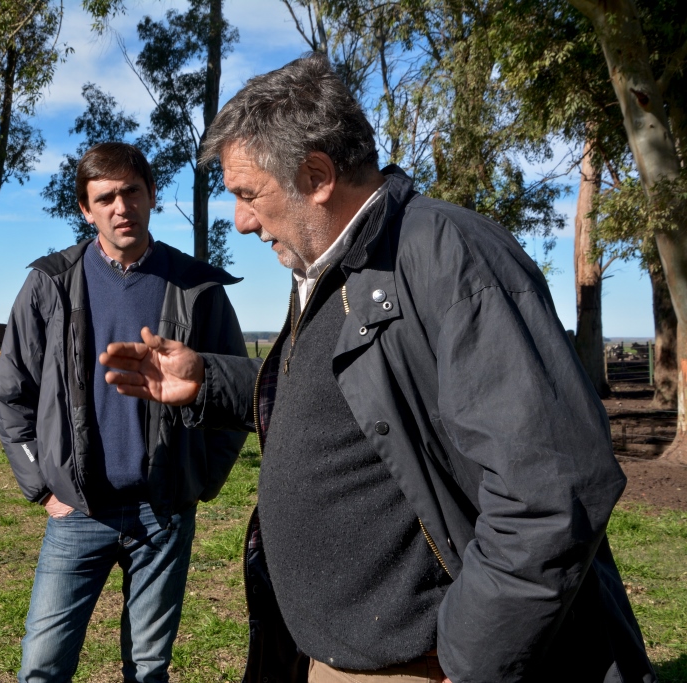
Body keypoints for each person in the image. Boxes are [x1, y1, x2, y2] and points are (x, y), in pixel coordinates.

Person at [99, 55, 655, 683]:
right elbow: (347, 404)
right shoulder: (333, 266)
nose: (242, 221)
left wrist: (470, 657)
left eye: (249, 195)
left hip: (425, 666)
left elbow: (552, 491)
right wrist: (208, 381)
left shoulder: (448, 257)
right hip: (341, 655)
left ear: (317, 176)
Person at [0, 142, 248, 683]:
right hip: (78, 510)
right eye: (104, 197)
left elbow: (234, 395)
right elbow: (15, 394)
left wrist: (200, 481)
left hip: (164, 511)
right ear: (85, 209)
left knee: (150, 667)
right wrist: (42, 486)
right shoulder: (50, 284)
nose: (120, 206)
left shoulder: (197, 287)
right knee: (42, 665)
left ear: (152, 195)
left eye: (131, 191)